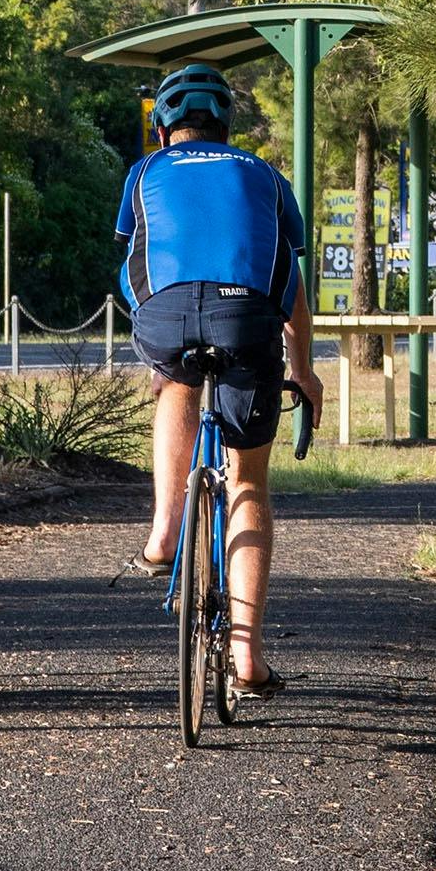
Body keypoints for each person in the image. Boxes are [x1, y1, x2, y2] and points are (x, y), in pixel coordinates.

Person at [118, 65, 324, 694]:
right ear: (226, 124)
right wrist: (303, 370)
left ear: (163, 125)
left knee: (175, 379)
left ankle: (162, 534)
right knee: (249, 482)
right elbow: (287, 276)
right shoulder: (263, 174)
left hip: (164, 314)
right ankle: (247, 660)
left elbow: (134, 246)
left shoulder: (144, 172)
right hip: (246, 315)